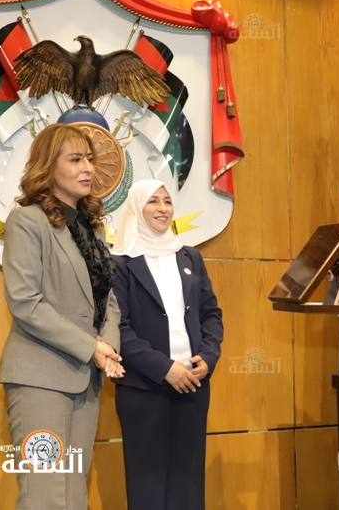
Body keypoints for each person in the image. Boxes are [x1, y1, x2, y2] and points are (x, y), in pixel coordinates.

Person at [0, 123, 124, 510]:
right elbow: (25, 302)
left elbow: (109, 301)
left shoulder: (92, 230)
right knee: (45, 497)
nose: (88, 167)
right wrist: (91, 347)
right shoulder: (27, 221)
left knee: (73, 496)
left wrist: (108, 348)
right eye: (75, 159)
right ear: (48, 167)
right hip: (39, 378)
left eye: (90, 159)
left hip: (86, 380)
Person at [111, 179, 223, 510]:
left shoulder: (190, 257)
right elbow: (118, 328)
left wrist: (208, 357)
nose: (163, 209)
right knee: (147, 487)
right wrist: (164, 369)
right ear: (136, 208)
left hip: (193, 386)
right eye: (153, 201)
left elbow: (211, 314)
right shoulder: (119, 263)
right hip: (142, 389)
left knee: (188, 486)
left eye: (167, 201)